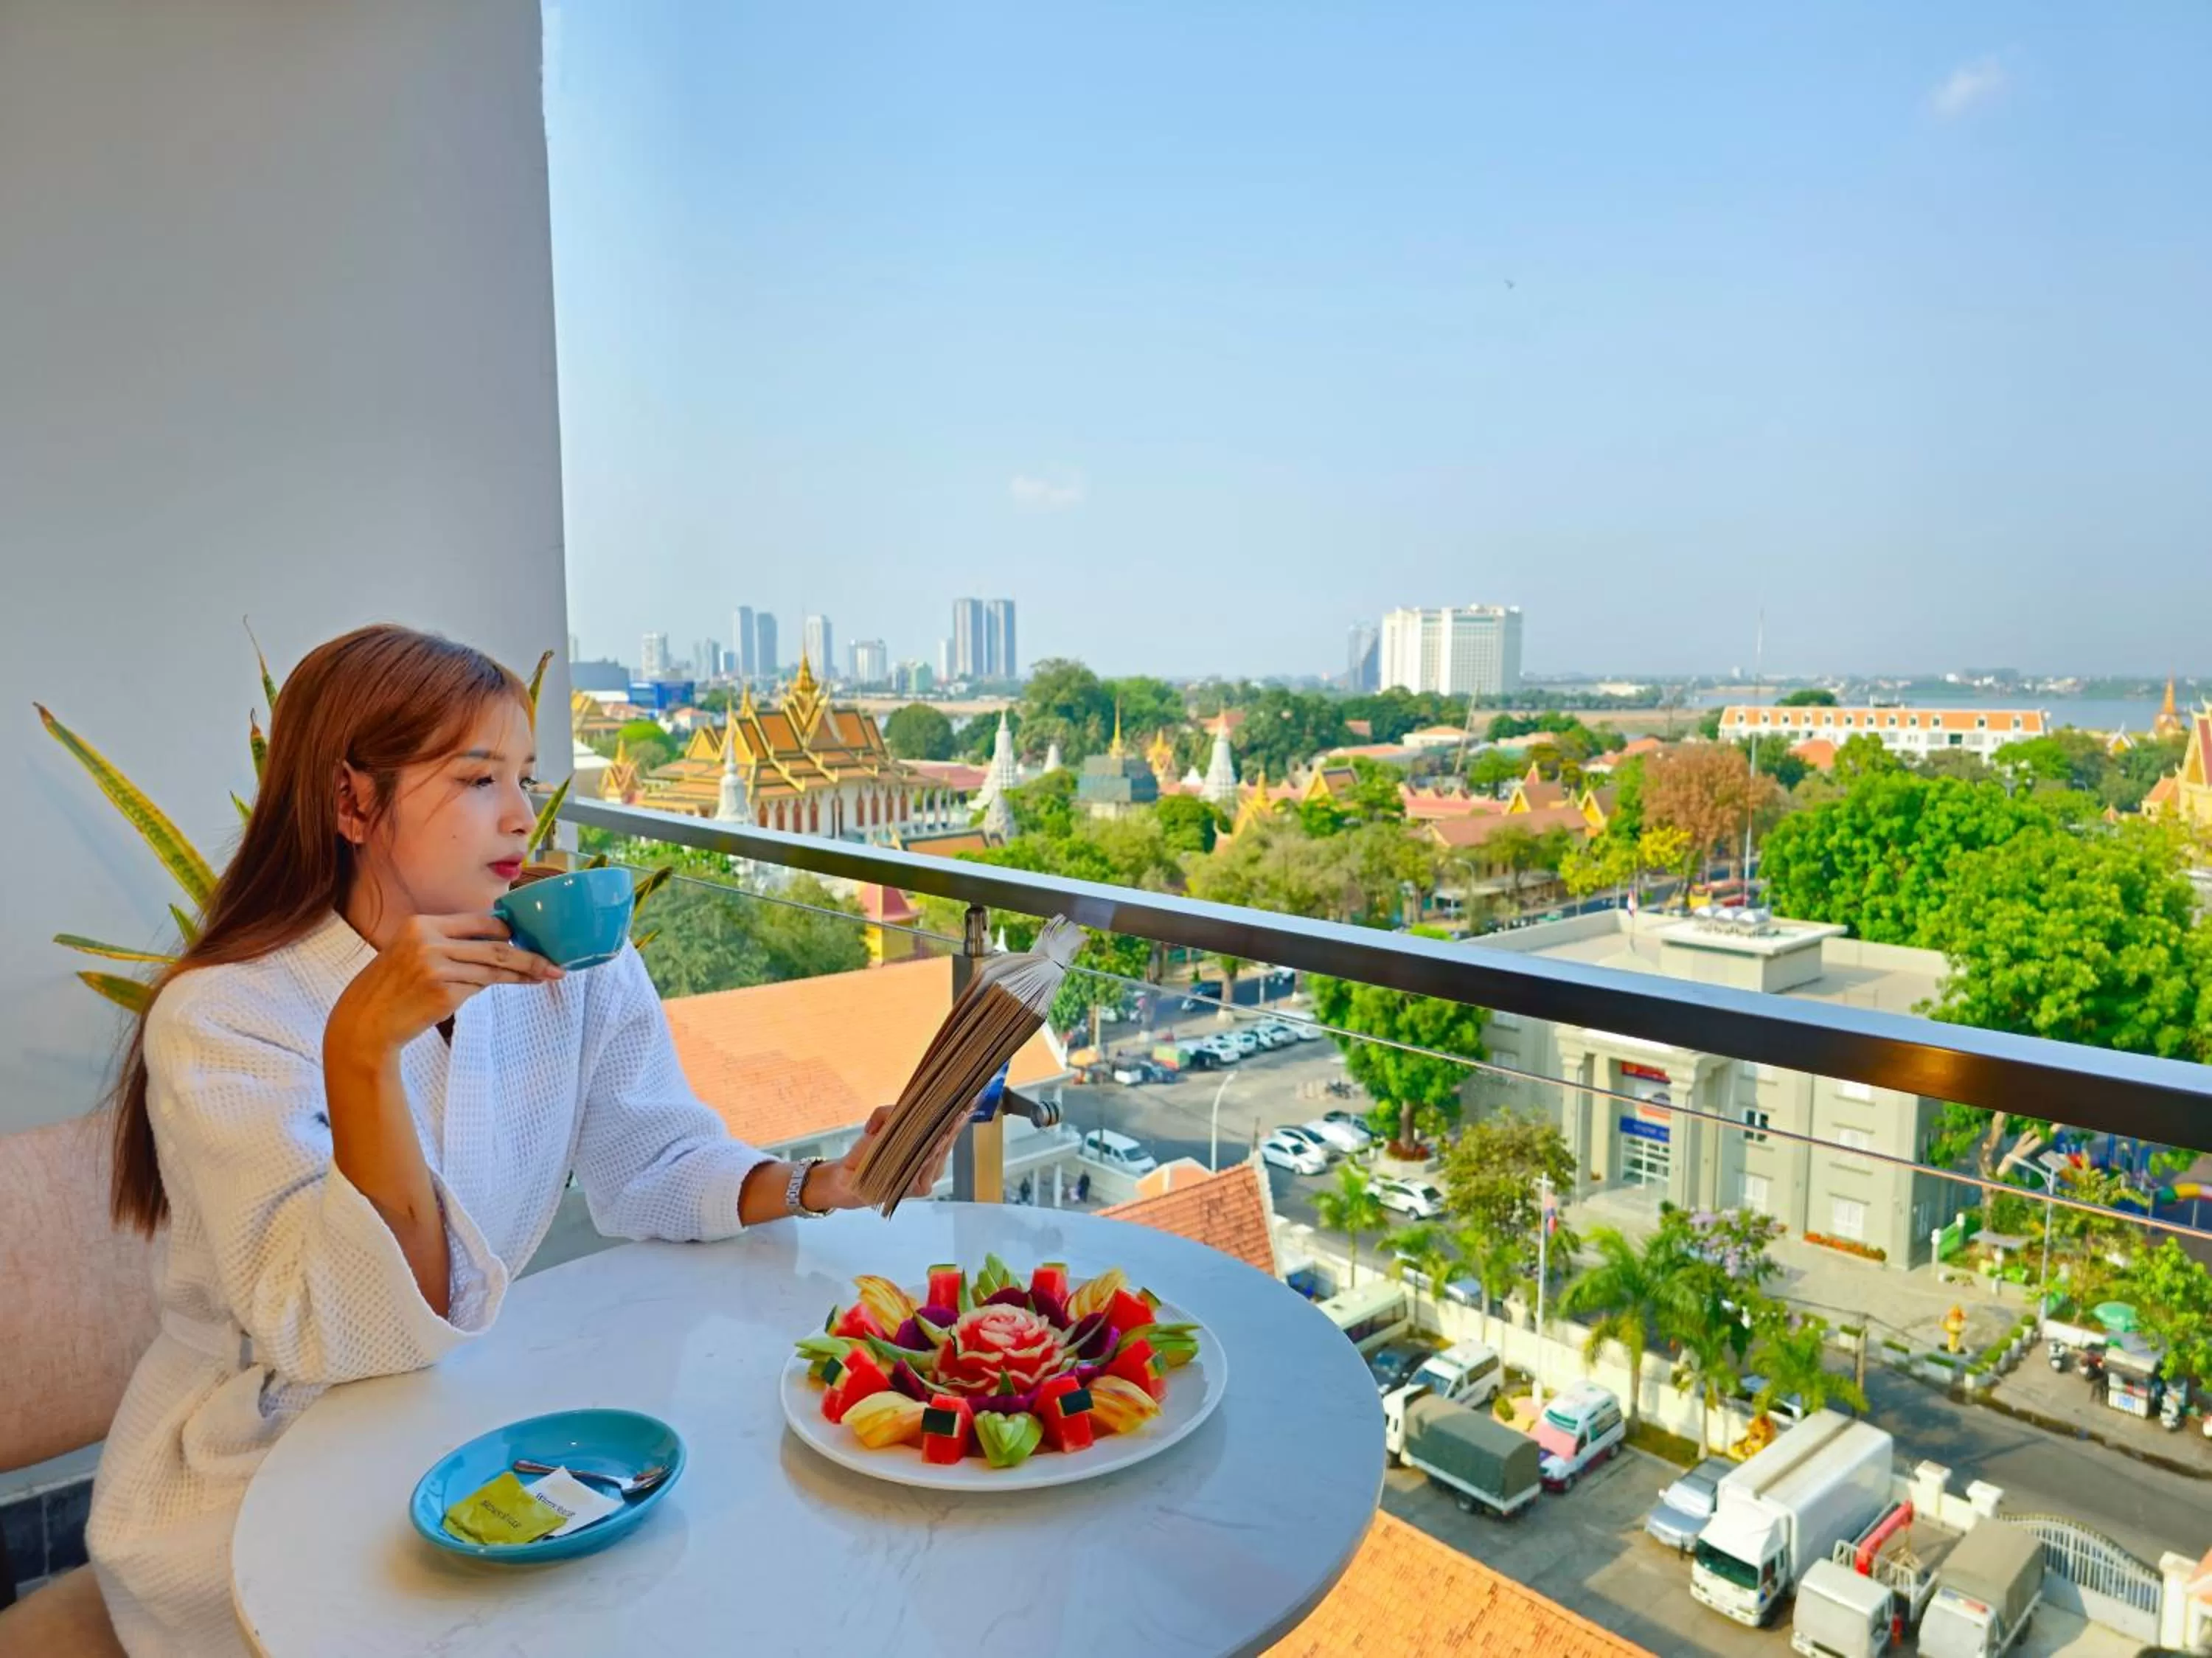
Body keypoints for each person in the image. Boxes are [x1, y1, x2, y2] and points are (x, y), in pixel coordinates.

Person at [85, 625, 955, 1657]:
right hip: (255, 1482)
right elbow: (344, 1334)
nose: (520, 815)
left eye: (526, 777)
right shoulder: (230, 1018)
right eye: (476, 778)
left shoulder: (563, 963)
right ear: (352, 802)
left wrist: (821, 1181)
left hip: (463, 1419)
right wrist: (362, 1047)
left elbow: (652, 1163)